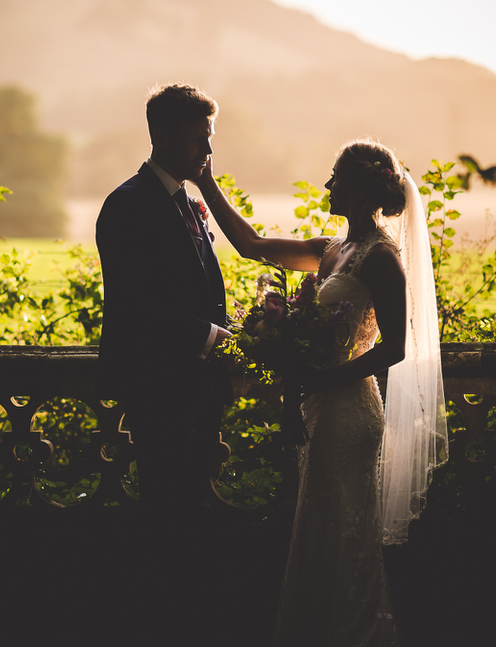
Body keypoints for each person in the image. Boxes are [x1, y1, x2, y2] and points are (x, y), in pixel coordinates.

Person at [194, 138, 448, 646]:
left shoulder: (382, 260)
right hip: (318, 408)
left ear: (356, 188)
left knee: (342, 532)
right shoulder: (332, 249)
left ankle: (353, 631)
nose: (328, 185)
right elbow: (252, 246)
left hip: (349, 411)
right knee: (317, 529)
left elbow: (395, 349)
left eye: (335, 177)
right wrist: (205, 182)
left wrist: (326, 378)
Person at [96, 83, 232, 522]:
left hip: (199, 386)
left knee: (190, 507)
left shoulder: (188, 200)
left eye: (210, 136)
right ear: (162, 137)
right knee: (165, 510)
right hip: (158, 387)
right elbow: (134, 306)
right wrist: (213, 336)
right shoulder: (127, 205)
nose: (208, 149)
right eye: (199, 138)